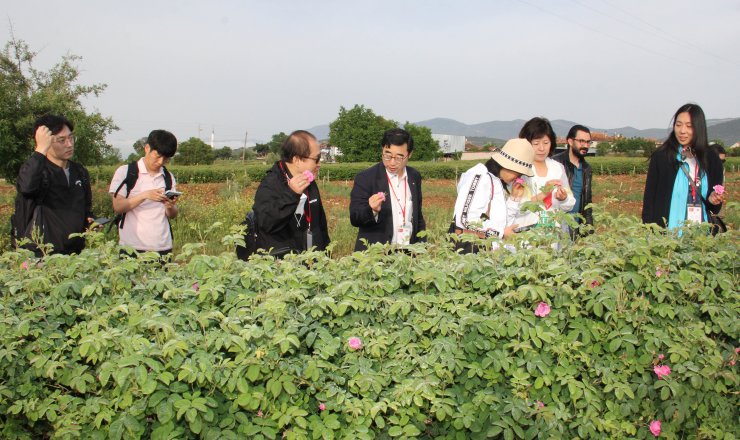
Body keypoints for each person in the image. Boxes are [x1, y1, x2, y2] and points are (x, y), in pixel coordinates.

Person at [11, 114, 94, 256]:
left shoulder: (79, 171)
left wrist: (90, 221)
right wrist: (40, 150)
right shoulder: (38, 170)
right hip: (41, 255)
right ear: (47, 142)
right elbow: (26, 187)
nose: (69, 144)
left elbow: (86, 207)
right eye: (61, 140)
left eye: (71, 138)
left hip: (74, 255)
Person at [642, 103, 725, 230]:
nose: (682, 131)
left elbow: (714, 207)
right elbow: (649, 199)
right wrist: (648, 231)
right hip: (666, 235)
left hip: (700, 237)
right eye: (678, 125)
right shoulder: (662, 157)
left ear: (699, 128)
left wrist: (713, 199)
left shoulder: (712, 159)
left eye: (689, 126)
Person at [252, 130, 329, 256]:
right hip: (284, 266)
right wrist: (291, 194)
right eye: (317, 159)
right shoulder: (271, 184)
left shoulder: (309, 181)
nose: (320, 164)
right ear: (297, 160)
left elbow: (320, 225)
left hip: (312, 263)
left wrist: (326, 256)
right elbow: (266, 223)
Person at [349, 128, 426, 251]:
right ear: (382, 150)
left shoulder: (414, 176)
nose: (392, 162)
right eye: (387, 155)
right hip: (376, 255)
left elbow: (417, 216)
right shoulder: (366, 178)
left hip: (407, 253)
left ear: (409, 154)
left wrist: (421, 246)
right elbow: (355, 218)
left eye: (399, 157)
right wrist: (372, 210)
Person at [452, 138, 534, 252]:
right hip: (470, 251)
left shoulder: (496, 181)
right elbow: (464, 220)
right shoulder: (480, 177)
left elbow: (500, 221)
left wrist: (514, 199)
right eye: (518, 173)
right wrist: (501, 233)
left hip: (486, 251)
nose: (518, 177)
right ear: (507, 165)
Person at [109, 130, 179, 257]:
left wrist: (170, 206)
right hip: (132, 248)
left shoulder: (168, 177)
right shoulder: (126, 172)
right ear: (147, 148)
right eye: (157, 156)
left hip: (163, 247)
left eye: (166, 159)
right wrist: (144, 195)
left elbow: (172, 214)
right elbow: (118, 207)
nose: (160, 162)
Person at [512, 117, 575, 230]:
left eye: (546, 143)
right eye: (536, 143)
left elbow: (569, 204)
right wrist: (543, 194)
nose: (542, 148)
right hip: (525, 236)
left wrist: (563, 198)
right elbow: (514, 209)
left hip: (552, 236)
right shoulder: (519, 170)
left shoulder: (557, 168)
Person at [553, 124, 594, 237]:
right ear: (570, 141)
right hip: (556, 223)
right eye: (581, 141)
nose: (585, 145)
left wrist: (589, 229)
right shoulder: (555, 163)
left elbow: (587, 202)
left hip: (576, 225)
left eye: (588, 142)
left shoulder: (586, 168)